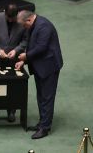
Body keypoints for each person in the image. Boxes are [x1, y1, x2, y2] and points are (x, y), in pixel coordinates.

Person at [15, 10, 63, 140]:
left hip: (49, 67)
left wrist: (26, 56)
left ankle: (45, 128)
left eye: (24, 25)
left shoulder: (44, 26)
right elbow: (33, 45)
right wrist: (24, 61)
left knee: (47, 97)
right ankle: (42, 123)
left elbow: (41, 47)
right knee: (41, 95)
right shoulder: (34, 25)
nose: (24, 28)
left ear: (29, 20)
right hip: (40, 66)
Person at [0, 4, 27, 123]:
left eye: (12, 18)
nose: (10, 20)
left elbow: (26, 40)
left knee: (12, 84)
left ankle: (11, 111)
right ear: (4, 13)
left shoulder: (22, 21)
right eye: (8, 17)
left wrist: (16, 50)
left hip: (15, 58)